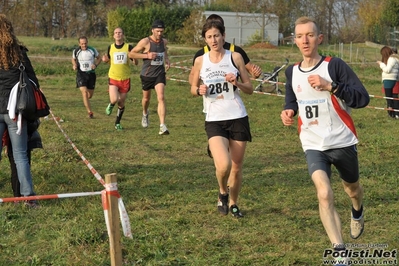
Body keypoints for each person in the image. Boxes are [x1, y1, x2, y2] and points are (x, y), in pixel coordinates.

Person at [280, 16, 369, 261]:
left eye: (309, 35)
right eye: (299, 36)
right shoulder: (292, 72)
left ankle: (357, 209)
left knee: (352, 189)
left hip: (342, 141)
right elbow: (292, 99)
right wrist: (288, 111)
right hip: (313, 144)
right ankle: (340, 251)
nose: (305, 40)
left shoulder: (334, 66)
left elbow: (362, 98)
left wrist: (331, 86)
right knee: (324, 193)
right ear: (294, 41)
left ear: (319, 38)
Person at [190, 20, 253, 218]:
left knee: (236, 167)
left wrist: (237, 83)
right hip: (214, 119)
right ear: (205, 40)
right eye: (209, 37)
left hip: (237, 117)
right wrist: (198, 90)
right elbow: (192, 87)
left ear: (223, 36)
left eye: (216, 35)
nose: (214, 40)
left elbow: (250, 88)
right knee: (223, 165)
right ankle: (222, 192)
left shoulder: (235, 57)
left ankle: (233, 203)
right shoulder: (201, 60)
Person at [0, 14, 39, 207]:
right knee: (20, 154)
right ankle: (28, 198)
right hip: (16, 112)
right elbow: (34, 84)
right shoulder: (20, 54)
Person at [189, 14, 262, 86]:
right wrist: (201, 88)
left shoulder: (236, 51)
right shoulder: (201, 54)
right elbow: (192, 77)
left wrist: (255, 73)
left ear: (222, 31)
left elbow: (251, 71)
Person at [128, 19, 170, 135]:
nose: (160, 34)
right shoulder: (145, 42)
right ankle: (145, 113)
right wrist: (147, 55)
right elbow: (131, 53)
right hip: (147, 75)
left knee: (161, 97)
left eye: (161, 31)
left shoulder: (164, 41)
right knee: (146, 99)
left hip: (159, 73)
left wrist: (166, 59)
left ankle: (162, 125)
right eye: (157, 31)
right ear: (152, 30)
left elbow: (164, 50)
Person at [102, 27, 138, 130]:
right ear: (113, 35)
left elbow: (135, 63)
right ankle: (111, 104)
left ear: (123, 35)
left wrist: (135, 59)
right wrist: (105, 60)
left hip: (125, 79)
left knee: (121, 103)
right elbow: (110, 60)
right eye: (116, 33)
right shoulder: (111, 47)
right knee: (115, 99)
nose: (118, 34)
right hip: (113, 77)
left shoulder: (128, 47)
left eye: (120, 33)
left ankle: (117, 123)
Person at [2, 119, 43, 201]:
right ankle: (24, 196)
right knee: (21, 161)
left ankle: (19, 197)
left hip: (19, 133)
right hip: (20, 128)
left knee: (18, 164)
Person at [72, 36, 101, 118]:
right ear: (79, 44)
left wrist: (95, 65)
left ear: (87, 42)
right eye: (82, 44)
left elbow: (99, 58)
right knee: (84, 93)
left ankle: (86, 101)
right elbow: (73, 59)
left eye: (85, 43)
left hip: (91, 74)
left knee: (89, 95)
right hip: (81, 74)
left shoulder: (92, 50)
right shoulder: (76, 51)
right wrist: (74, 65)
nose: (84, 45)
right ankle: (90, 112)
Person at [377, 46, 399, 118]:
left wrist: (381, 64)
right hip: (392, 79)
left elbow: (387, 70)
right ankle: (393, 114)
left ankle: (392, 114)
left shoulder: (391, 59)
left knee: (389, 98)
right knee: (391, 97)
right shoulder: (394, 59)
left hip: (390, 80)